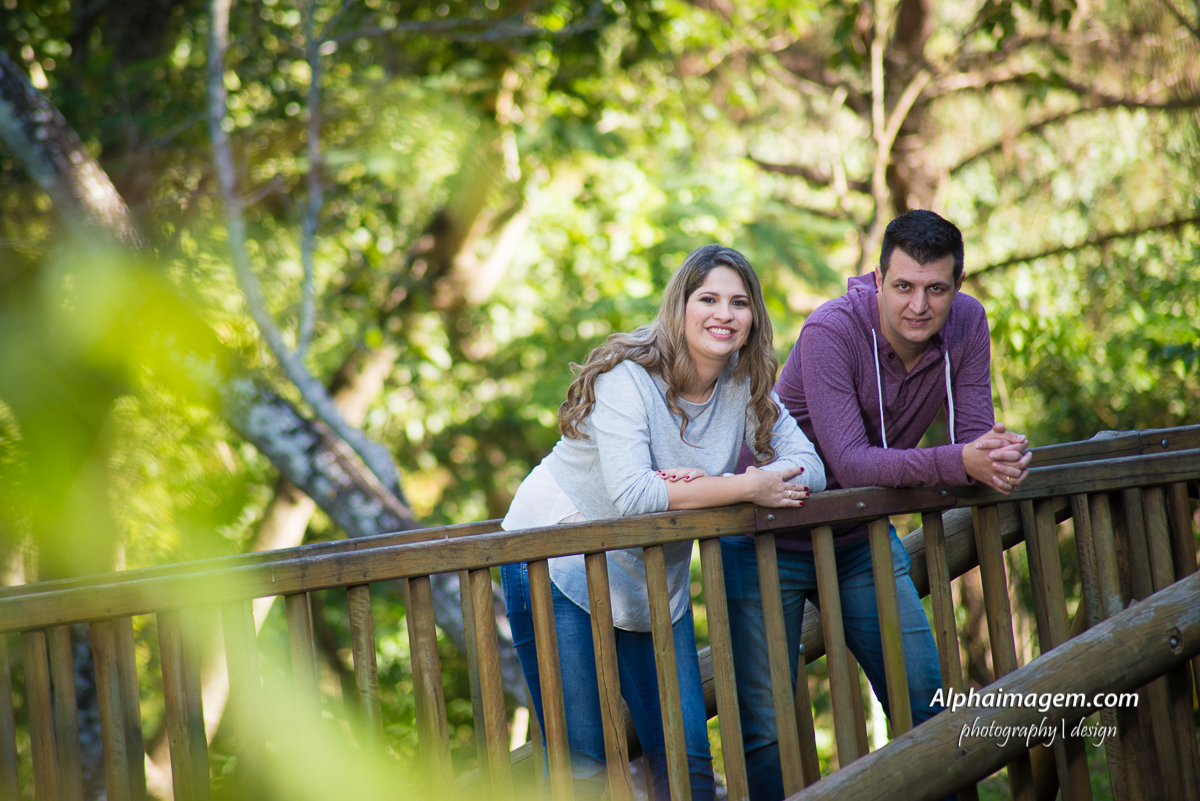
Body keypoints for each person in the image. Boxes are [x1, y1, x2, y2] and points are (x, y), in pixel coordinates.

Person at [722, 209, 1032, 801]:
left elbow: (973, 435)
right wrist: (963, 459)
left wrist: (1001, 456)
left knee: (926, 697)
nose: (919, 305)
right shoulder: (830, 332)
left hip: (856, 536)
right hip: (760, 537)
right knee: (766, 729)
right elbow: (852, 463)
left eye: (936, 289)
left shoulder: (967, 324)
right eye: (904, 287)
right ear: (878, 278)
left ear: (957, 288)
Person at [500, 244, 827, 800]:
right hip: (554, 553)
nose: (724, 314)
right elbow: (633, 494)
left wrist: (691, 488)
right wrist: (744, 486)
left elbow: (813, 470)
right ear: (680, 308)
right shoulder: (627, 379)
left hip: (653, 574)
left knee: (686, 757)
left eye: (739, 303)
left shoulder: (745, 388)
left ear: (753, 321)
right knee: (584, 762)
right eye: (708, 299)